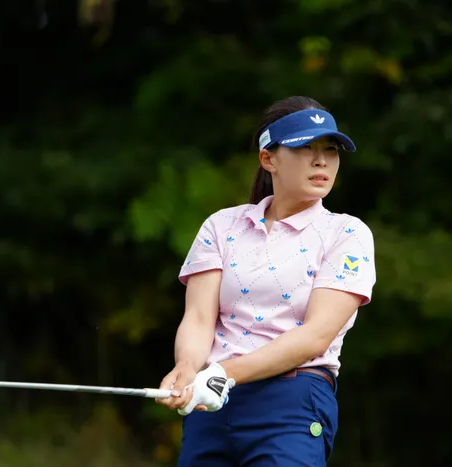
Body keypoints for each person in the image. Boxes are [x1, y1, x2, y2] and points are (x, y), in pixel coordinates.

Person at [156, 95, 377, 466]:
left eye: (330, 150)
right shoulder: (222, 225)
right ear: (268, 159)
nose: (321, 161)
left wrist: (223, 373)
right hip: (212, 405)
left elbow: (315, 336)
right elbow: (198, 318)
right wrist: (187, 368)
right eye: (304, 148)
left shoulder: (346, 233)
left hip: (291, 402)